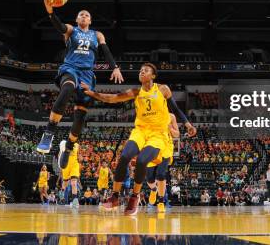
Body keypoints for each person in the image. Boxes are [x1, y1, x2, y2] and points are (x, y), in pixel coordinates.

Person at [81, 62, 196, 215]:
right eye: (141, 70)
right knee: (124, 157)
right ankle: (114, 196)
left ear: (153, 76)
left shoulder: (163, 89)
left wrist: (188, 124)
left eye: (146, 70)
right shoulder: (135, 92)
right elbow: (112, 98)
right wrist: (92, 93)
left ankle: (134, 197)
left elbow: (175, 108)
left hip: (158, 135)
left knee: (142, 160)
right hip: (140, 131)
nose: (142, 72)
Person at [36, 4, 124, 158]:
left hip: (87, 74)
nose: (84, 16)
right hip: (70, 68)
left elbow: (106, 51)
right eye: (81, 14)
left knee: (80, 115)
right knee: (68, 88)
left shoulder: (97, 35)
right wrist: (51, 13)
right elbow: (60, 26)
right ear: (77, 19)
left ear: (90, 21)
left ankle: (69, 147)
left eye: (87, 15)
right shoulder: (71, 30)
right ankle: (49, 132)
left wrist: (114, 67)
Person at [146, 112, 179, 213]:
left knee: (161, 174)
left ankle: (161, 202)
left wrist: (169, 127)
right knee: (149, 178)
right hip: (152, 147)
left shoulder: (171, 116)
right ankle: (153, 190)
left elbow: (177, 134)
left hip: (166, 148)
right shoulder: (149, 114)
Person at [58, 140, 80, 208]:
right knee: (65, 184)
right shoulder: (64, 144)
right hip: (66, 166)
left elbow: (78, 155)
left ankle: (75, 202)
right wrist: (61, 167)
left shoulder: (77, 145)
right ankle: (61, 198)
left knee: (73, 183)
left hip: (74, 165)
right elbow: (60, 155)